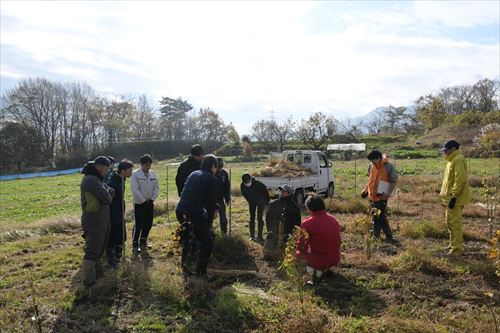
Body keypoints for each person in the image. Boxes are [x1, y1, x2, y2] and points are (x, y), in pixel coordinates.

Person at [176, 154, 219, 278]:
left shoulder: (194, 173)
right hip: (194, 212)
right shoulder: (211, 178)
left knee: (189, 238)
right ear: (213, 166)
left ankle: (185, 266)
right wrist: (209, 221)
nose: (216, 170)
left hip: (181, 210)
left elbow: (192, 192)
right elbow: (211, 204)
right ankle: (201, 273)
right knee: (208, 242)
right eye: (216, 167)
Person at [80, 156, 114, 286]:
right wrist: (109, 192)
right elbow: (107, 197)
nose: (107, 171)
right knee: (92, 251)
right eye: (106, 168)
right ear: (98, 166)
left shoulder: (96, 179)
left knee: (99, 248)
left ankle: (98, 277)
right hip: (94, 220)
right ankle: (89, 283)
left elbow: (109, 192)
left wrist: (108, 191)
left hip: (100, 219)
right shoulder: (91, 180)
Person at [295, 195, 341, 284]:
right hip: (335, 258)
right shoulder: (333, 219)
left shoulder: (308, 223)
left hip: (321, 260)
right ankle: (325, 270)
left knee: (296, 255)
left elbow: (301, 246)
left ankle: (314, 276)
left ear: (309, 208)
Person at [439, 140, 470, 256]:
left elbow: (460, 180)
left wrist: (453, 196)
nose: (445, 153)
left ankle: (456, 250)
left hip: (454, 199)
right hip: (449, 198)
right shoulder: (451, 160)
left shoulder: (458, 159)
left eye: (446, 150)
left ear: (452, 149)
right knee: (450, 223)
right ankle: (453, 245)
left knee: (455, 224)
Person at [361, 150, 398, 243]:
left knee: (381, 217)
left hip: (382, 197)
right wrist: (365, 190)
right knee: (374, 216)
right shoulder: (371, 166)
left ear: (379, 158)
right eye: (371, 161)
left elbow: (393, 181)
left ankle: (389, 237)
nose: (372, 163)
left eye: (373, 160)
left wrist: (385, 192)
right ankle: (375, 236)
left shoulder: (388, 167)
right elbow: (370, 179)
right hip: (371, 197)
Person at [105, 159, 134, 268]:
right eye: (129, 169)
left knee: (121, 235)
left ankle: (118, 255)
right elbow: (109, 199)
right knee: (113, 235)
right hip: (113, 213)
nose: (131, 171)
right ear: (122, 170)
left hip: (119, 211)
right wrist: (116, 213)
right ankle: (111, 258)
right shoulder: (113, 182)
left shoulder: (121, 179)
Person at [130, 154, 160, 255]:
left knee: (148, 223)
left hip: (150, 203)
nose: (148, 167)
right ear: (141, 164)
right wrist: (143, 201)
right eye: (146, 165)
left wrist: (152, 199)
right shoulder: (135, 175)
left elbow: (156, 188)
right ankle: (135, 244)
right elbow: (135, 190)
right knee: (139, 224)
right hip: (139, 203)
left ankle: (143, 242)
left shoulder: (153, 174)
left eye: (149, 164)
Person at [263, 185, 301, 256]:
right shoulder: (274, 203)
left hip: (287, 234)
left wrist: (289, 234)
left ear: (289, 193)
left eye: (284, 191)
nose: (281, 193)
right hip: (274, 231)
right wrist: (270, 231)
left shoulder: (293, 206)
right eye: (281, 191)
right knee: (266, 251)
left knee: (287, 253)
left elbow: (297, 222)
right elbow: (268, 218)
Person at [240, 173, 270, 242]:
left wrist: (265, 203)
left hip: (261, 201)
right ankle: (252, 236)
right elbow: (244, 194)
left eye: (248, 182)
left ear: (251, 180)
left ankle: (259, 236)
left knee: (259, 217)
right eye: (245, 183)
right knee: (252, 218)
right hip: (252, 202)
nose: (247, 184)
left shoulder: (259, 184)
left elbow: (266, 193)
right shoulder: (242, 186)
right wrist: (250, 200)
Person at [215, 157, 230, 235]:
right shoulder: (210, 173)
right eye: (219, 167)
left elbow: (227, 187)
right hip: (211, 200)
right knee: (210, 217)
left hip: (220, 199)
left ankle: (224, 233)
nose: (220, 168)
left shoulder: (224, 173)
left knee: (223, 218)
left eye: (221, 166)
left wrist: (227, 198)